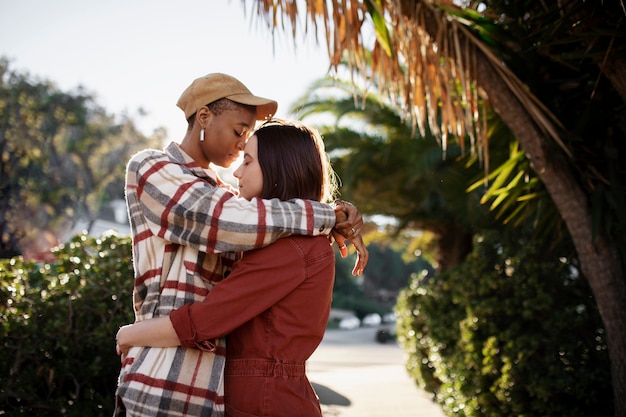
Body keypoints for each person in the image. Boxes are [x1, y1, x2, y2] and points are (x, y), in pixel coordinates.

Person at [114, 73, 367, 417]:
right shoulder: (154, 167)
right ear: (204, 118)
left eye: (248, 140)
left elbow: (222, 305)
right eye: (238, 131)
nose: (240, 146)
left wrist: (331, 216)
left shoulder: (240, 204)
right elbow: (222, 222)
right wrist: (327, 215)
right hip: (165, 375)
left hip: (213, 384)